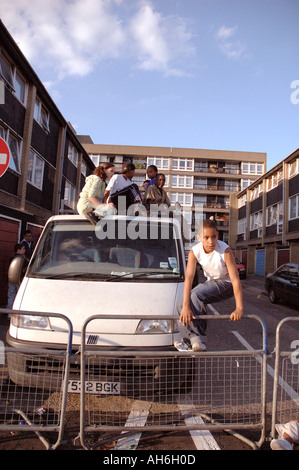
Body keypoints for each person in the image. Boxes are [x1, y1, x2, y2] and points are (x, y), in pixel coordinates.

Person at [176, 219, 244, 351]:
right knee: (181, 303)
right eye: (206, 238)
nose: (211, 242)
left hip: (227, 284)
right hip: (211, 283)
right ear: (199, 237)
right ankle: (188, 341)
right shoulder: (194, 252)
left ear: (218, 235)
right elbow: (189, 279)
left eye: (214, 237)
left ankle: (199, 338)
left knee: (196, 294)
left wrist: (239, 308)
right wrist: (185, 306)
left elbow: (236, 280)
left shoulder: (225, 251)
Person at [7, 243, 26, 310]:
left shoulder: (11, 258)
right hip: (19, 279)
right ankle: (17, 312)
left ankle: (9, 312)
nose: (25, 250)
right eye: (23, 249)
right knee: (19, 296)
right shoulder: (23, 259)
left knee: (11, 295)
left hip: (11, 278)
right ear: (18, 250)